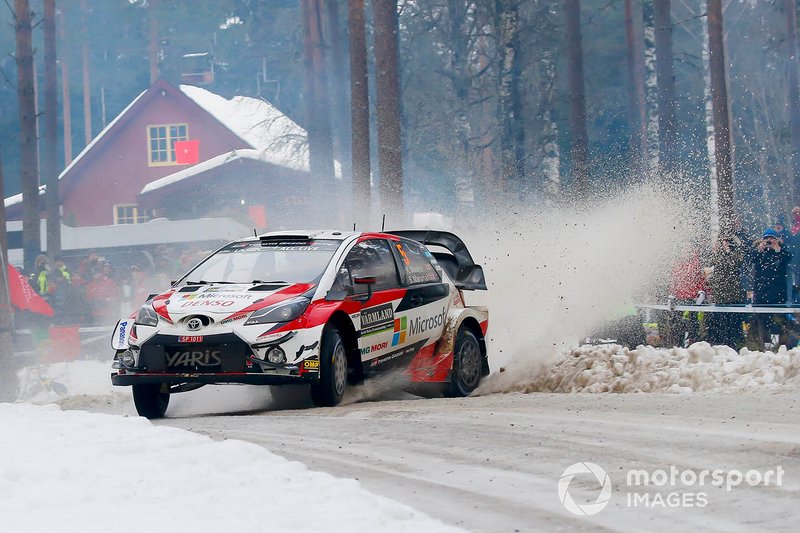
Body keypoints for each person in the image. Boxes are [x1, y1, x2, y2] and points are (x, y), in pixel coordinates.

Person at [747, 228, 793, 349]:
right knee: (762, 321)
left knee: (780, 320)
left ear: (775, 239)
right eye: (766, 239)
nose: (768, 241)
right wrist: (759, 249)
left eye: (771, 238)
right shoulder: (759, 253)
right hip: (761, 294)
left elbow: (789, 257)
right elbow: (750, 260)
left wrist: (777, 249)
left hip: (777, 294)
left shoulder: (781, 252)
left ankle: (781, 345)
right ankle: (765, 343)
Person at [706, 235, 745, 347]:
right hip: (720, 294)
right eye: (724, 241)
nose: (726, 243)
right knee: (721, 322)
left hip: (733, 294)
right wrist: (716, 251)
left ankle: (733, 344)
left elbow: (738, 262)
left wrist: (733, 248)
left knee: (733, 322)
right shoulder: (717, 254)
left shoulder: (735, 254)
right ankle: (722, 343)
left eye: (728, 241)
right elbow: (709, 264)